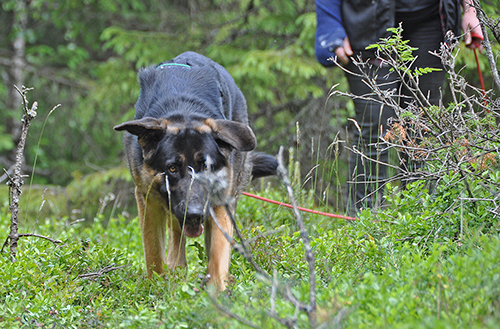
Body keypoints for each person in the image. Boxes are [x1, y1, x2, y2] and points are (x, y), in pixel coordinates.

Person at [315, 0, 483, 212]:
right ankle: (362, 226)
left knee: (423, 125)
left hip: (431, 22)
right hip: (366, 21)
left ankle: (420, 223)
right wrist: (328, 22)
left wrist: (470, 7)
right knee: (374, 127)